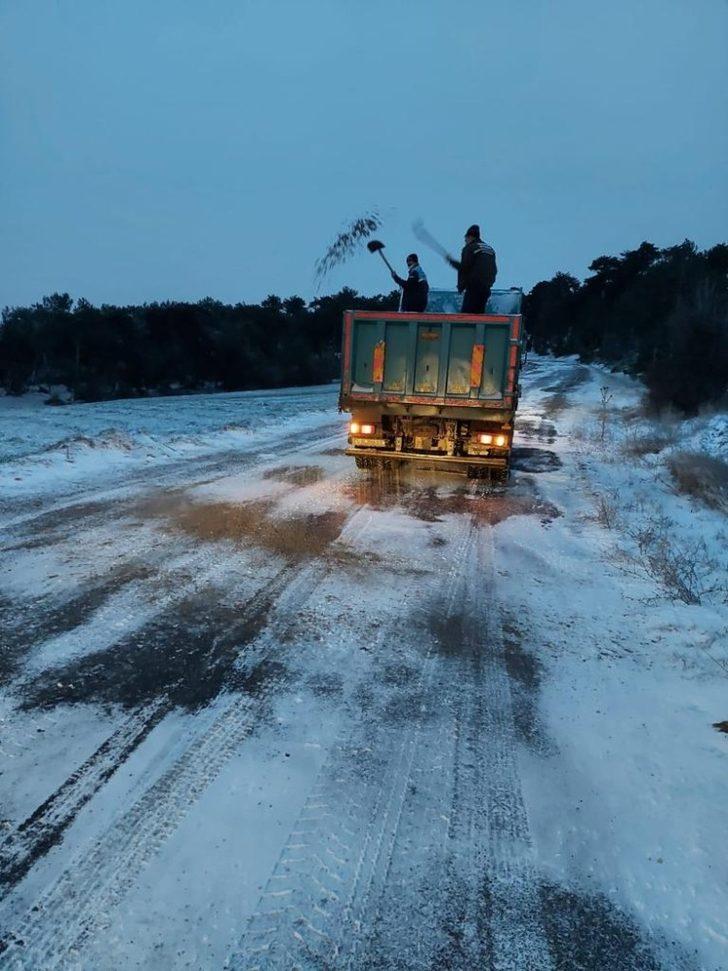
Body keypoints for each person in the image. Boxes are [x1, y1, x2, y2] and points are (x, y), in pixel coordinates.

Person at [446, 225, 497, 314]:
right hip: (486, 288)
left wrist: (452, 262)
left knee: (466, 317)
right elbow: (494, 269)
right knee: (479, 316)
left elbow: (464, 268)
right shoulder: (489, 249)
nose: (465, 241)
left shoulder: (470, 248)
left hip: (474, 288)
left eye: (465, 238)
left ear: (470, 237)